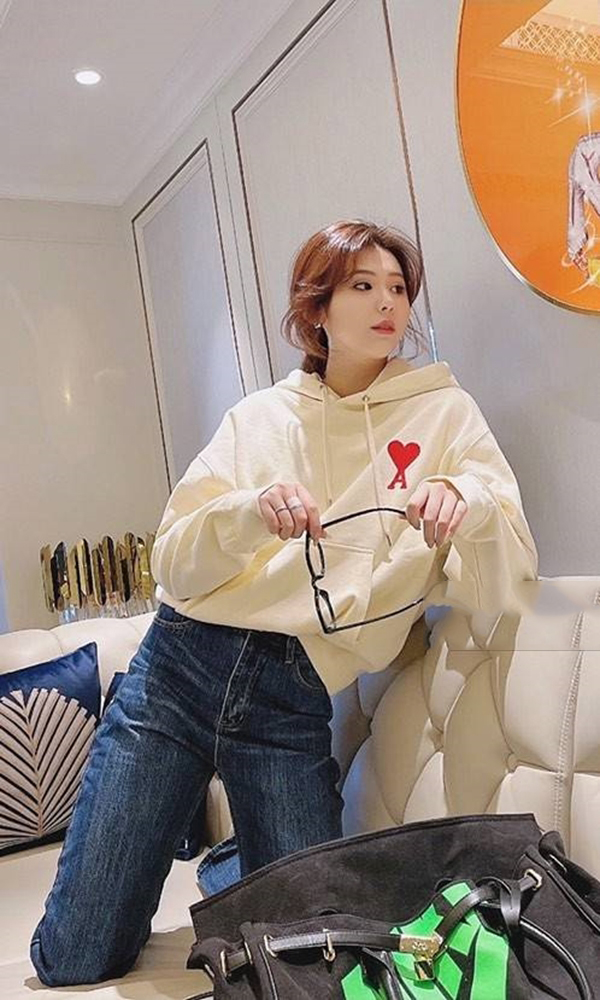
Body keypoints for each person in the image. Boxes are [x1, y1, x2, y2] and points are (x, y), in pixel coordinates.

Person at [30, 219, 538, 986]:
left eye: (398, 287)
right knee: (75, 958)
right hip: (177, 672)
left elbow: (511, 576)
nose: (387, 303)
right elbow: (172, 560)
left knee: (307, 962)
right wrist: (250, 513)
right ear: (317, 309)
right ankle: (215, 853)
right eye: (362, 285)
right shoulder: (259, 419)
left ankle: (235, 863)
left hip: (290, 699)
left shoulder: (445, 414)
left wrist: (465, 501)